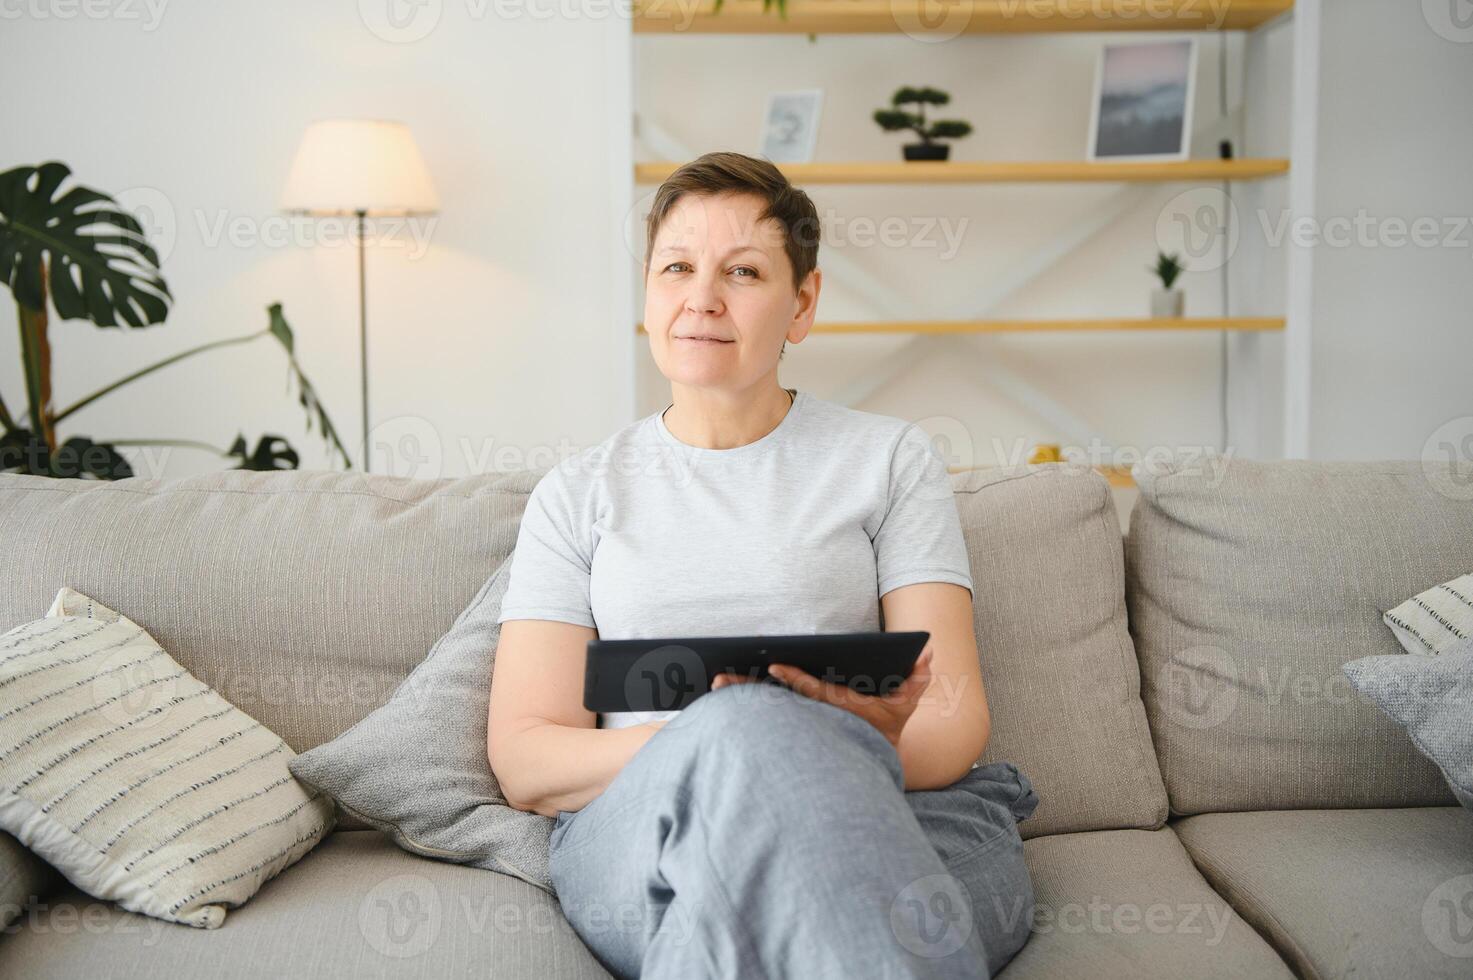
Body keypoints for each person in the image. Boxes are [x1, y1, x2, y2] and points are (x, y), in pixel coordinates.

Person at [487, 151, 1038, 979]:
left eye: (741, 271)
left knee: (740, 896)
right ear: (647, 290)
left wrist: (803, 750)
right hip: (641, 826)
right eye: (676, 267)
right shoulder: (577, 494)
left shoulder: (888, 461)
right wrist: (726, 741)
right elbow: (527, 759)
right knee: (750, 740)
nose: (701, 297)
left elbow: (952, 715)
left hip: (886, 803)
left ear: (802, 303)